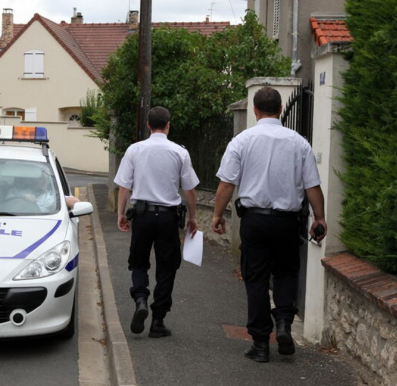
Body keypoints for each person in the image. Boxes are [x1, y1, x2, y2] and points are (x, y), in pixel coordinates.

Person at [211, 87, 327, 362]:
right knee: (287, 272)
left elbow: (227, 184)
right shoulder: (299, 143)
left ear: (254, 109)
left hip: (254, 220)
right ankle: (284, 323)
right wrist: (319, 217)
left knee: (256, 279)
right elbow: (312, 186)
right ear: (281, 108)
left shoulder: (242, 140)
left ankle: (261, 343)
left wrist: (217, 215)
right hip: (287, 221)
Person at [114, 106, 199, 338]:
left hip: (142, 216)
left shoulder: (134, 150)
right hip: (168, 218)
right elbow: (189, 189)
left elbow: (124, 186)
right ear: (168, 125)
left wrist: (121, 214)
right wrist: (192, 217)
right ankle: (158, 321)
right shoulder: (180, 152)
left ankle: (140, 298)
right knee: (167, 268)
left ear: (149, 125)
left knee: (139, 263)